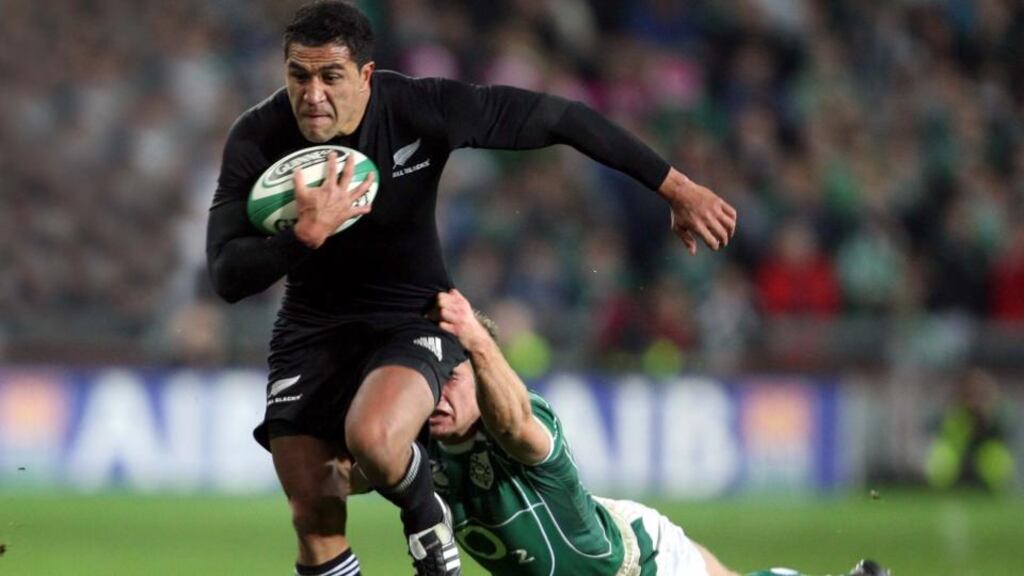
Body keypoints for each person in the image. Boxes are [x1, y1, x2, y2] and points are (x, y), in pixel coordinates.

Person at [205, 2, 736, 575]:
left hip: (412, 316)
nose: (312, 95)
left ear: (364, 74)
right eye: (298, 76)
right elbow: (226, 274)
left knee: (375, 441)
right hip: (309, 329)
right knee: (313, 511)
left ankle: (425, 517)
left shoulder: (417, 107)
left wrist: (676, 188)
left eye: (330, 76)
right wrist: (302, 238)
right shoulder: (258, 137)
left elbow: (559, 117)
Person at [429, 288, 888, 576]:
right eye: (432, 380)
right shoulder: (424, 441)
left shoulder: (526, 418)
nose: (437, 395)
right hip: (608, 528)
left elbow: (514, 425)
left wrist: (476, 337)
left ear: (483, 370)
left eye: (452, 377)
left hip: (637, 564)